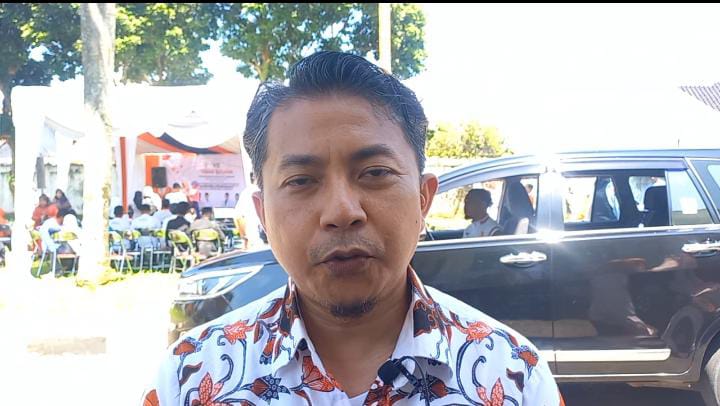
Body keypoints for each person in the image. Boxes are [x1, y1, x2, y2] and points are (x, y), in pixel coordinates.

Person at [144, 51, 561, 405]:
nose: (342, 212)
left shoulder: (513, 377)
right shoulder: (191, 377)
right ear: (262, 212)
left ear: (423, 198)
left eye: (375, 172)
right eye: (301, 180)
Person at [234, 171, 263, 251]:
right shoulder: (265, 190)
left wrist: (244, 237)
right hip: (260, 237)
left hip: (254, 238)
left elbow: (238, 217)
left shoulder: (246, 193)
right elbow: (238, 217)